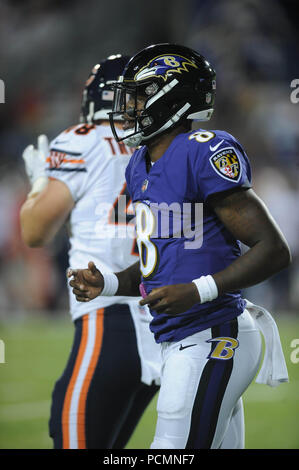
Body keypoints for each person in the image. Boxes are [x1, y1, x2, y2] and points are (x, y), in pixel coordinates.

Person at [68, 44, 291, 449]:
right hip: (178, 339)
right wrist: (111, 283)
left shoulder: (202, 149)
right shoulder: (139, 163)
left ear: (170, 96)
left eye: (138, 95)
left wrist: (198, 290)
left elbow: (273, 249)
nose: (129, 107)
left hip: (213, 333)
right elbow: (160, 258)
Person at [20, 54, 161, 449]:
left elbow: (34, 232)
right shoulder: (165, 146)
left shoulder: (84, 139)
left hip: (107, 321)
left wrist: (38, 186)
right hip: (160, 325)